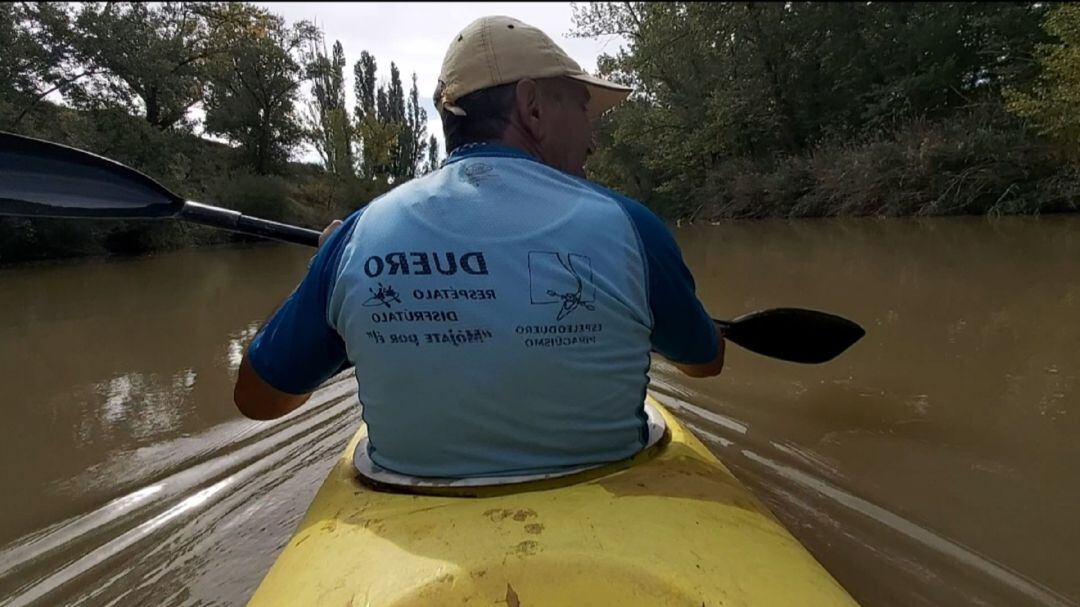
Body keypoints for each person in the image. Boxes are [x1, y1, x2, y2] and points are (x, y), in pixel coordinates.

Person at [233, 15, 725, 478]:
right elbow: (705, 363)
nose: (593, 137)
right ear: (532, 108)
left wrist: (345, 306)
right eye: (581, 108)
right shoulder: (632, 228)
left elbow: (258, 400)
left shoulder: (357, 240)